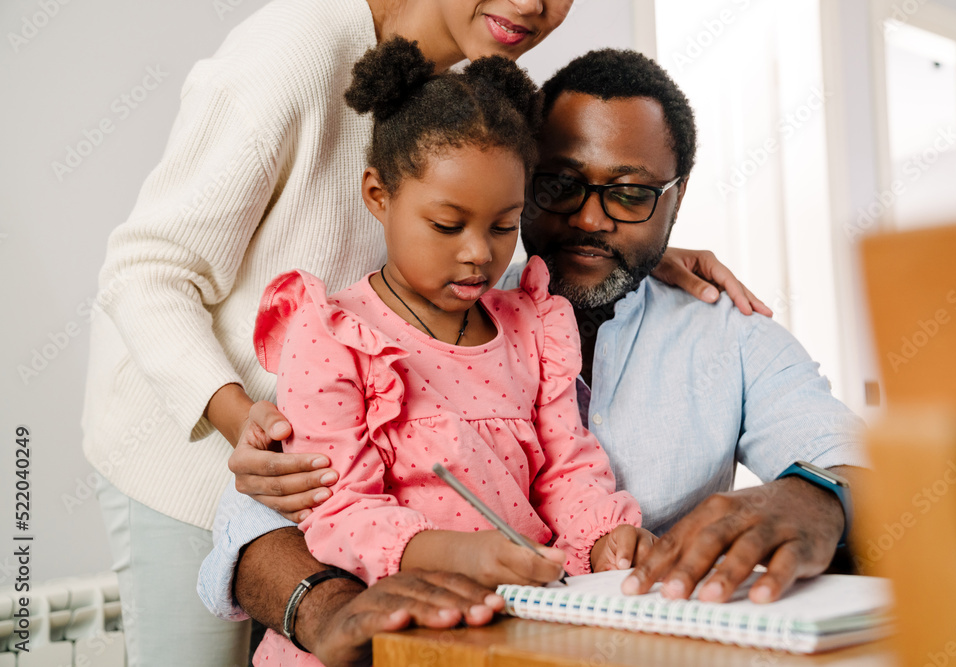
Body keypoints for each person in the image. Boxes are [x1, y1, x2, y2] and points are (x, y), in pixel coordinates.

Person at [83, 0, 762, 663]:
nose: (532, 5)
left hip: (334, 452)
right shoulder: (291, 52)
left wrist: (618, 247)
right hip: (198, 440)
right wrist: (239, 419)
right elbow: (146, 269)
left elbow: (461, 248)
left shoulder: (450, 92)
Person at [199, 47, 867, 666]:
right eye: (560, 185)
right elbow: (267, 511)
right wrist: (326, 607)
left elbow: (860, 461)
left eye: (630, 193)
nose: (590, 220)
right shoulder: (406, 306)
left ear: (677, 196)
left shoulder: (724, 332)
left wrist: (816, 498)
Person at [251, 38, 650, 666]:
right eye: (446, 225)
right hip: (385, 636)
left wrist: (605, 537)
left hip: (514, 629)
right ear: (379, 195)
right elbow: (337, 511)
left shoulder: (532, 326)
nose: (478, 253)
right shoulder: (333, 337)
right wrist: (460, 554)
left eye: (502, 226)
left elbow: (566, 469)